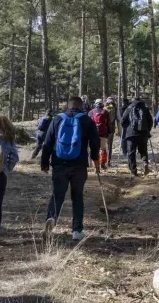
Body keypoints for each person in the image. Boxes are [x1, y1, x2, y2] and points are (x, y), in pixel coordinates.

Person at [41, 96, 100, 240]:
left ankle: (52, 219)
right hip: (79, 165)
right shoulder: (86, 120)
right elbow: (95, 142)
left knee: (57, 195)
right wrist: (95, 159)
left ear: (68, 106)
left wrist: (44, 163)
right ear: (81, 106)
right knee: (77, 197)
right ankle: (77, 231)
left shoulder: (57, 119)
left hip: (59, 164)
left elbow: (47, 142)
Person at [120, 95, 154, 177]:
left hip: (131, 134)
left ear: (132, 101)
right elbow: (150, 121)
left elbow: (123, 121)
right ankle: (145, 163)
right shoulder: (145, 109)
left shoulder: (129, 108)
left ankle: (133, 171)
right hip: (143, 133)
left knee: (131, 152)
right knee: (143, 150)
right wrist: (147, 130)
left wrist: (126, 128)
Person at [88, 99, 110, 170]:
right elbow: (108, 123)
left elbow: (88, 123)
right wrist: (109, 132)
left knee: (94, 149)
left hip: (93, 134)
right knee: (102, 149)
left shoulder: (91, 112)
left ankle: (95, 166)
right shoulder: (105, 112)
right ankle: (102, 163)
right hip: (103, 133)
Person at [104, 97, 119, 166]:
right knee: (109, 145)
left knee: (102, 145)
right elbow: (116, 119)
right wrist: (118, 130)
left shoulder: (103, 107)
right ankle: (108, 161)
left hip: (102, 129)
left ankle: (102, 161)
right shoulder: (114, 108)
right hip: (111, 129)